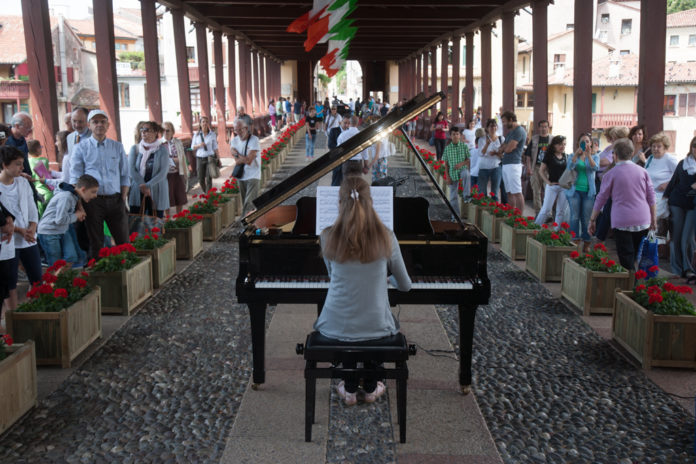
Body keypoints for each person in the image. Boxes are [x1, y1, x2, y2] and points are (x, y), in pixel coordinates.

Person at [314, 176, 411, 405]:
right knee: (372, 318)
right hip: (376, 325)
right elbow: (405, 286)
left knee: (351, 316)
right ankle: (370, 387)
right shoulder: (387, 236)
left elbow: (333, 278)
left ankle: (348, 388)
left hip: (335, 324)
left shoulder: (327, 236)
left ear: (340, 203)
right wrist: (385, 281)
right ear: (371, 202)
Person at [70, 109, 130, 259]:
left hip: (116, 199)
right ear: (89, 125)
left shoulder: (117, 147)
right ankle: (98, 275)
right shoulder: (81, 148)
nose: (99, 125)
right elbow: (75, 178)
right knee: (96, 242)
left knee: (123, 240)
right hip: (93, 202)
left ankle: (128, 275)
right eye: (95, 122)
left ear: (108, 125)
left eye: (103, 121)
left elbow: (125, 174)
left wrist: (123, 197)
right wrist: (80, 204)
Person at [589, 138, 656, 271]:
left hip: (622, 220)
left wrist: (592, 219)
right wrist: (654, 218)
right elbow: (651, 197)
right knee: (635, 254)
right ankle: (636, 284)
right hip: (643, 219)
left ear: (615, 155)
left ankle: (631, 286)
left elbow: (601, 198)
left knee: (626, 257)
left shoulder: (610, 174)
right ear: (631, 154)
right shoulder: (643, 171)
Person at [0, 146, 41, 313]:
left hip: (28, 237)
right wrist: (20, 230)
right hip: (9, 241)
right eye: (17, 164)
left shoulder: (23, 182)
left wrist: (31, 227)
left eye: (22, 163)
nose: (22, 168)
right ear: (4, 165)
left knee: (37, 277)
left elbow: (32, 208)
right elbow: (3, 218)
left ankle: (35, 311)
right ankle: (13, 316)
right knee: (10, 283)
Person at [37, 174, 99, 268]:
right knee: (55, 264)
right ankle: (54, 281)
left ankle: (61, 279)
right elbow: (60, 220)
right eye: (93, 192)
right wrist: (76, 215)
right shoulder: (66, 197)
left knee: (71, 257)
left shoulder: (74, 194)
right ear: (83, 189)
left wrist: (79, 210)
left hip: (61, 230)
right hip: (49, 232)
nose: (95, 195)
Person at [663, 136, 696, 280]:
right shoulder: (683, 163)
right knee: (675, 237)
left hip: (693, 205)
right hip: (677, 203)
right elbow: (673, 182)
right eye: (694, 146)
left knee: (687, 238)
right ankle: (677, 269)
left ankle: (688, 268)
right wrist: (663, 201)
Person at [565, 133, 600, 251]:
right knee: (574, 216)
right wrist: (576, 154)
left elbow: (595, 168)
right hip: (574, 191)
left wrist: (588, 155)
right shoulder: (572, 155)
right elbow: (569, 167)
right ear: (578, 144)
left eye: (587, 141)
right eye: (582, 141)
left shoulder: (595, 156)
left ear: (591, 143)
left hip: (588, 192)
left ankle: (587, 242)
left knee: (586, 218)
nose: (585, 143)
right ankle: (575, 240)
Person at [128, 121, 170, 218]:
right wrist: (142, 185)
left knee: (155, 222)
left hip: (157, 189)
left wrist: (148, 185)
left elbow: (163, 173)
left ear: (155, 132)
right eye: (142, 129)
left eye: (147, 130)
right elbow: (131, 169)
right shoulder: (135, 149)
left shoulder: (162, 150)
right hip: (138, 189)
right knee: (136, 221)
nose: (143, 132)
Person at [645, 132, 677, 232]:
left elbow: (679, 176)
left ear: (665, 147)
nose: (655, 149)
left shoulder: (669, 159)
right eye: (653, 146)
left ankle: (653, 245)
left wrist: (668, 184)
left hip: (662, 198)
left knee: (648, 221)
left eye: (659, 146)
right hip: (648, 196)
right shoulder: (650, 159)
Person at [535, 135, 569, 227]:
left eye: (564, 144)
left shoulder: (566, 156)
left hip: (564, 187)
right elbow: (541, 170)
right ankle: (535, 227)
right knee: (546, 209)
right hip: (552, 186)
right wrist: (548, 182)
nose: (562, 146)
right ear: (554, 145)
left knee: (561, 211)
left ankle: (556, 232)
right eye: (560, 144)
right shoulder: (549, 156)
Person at [496, 111, 527, 212]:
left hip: (514, 164)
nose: (504, 125)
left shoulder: (519, 131)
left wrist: (504, 148)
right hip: (506, 164)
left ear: (511, 120)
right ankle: (511, 214)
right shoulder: (511, 133)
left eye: (504, 122)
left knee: (517, 192)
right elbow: (503, 147)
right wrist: (505, 147)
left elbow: (508, 148)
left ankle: (520, 217)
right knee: (509, 192)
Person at [231, 119, 261, 216]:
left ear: (246, 128)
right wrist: (241, 157)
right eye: (236, 130)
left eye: (241, 130)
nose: (238, 133)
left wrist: (236, 154)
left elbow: (249, 161)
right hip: (241, 176)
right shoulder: (234, 141)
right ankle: (253, 223)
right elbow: (237, 161)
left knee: (249, 202)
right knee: (246, 202)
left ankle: (244, 224)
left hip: (253, 175)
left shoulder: (254, 140)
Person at [523, 120, 552, 215]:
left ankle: (548, 214)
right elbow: (528, 155)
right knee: (536, 191)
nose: (544, 128)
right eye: (542, 127)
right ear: (539, 128)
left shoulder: (552, 139)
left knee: (548, 192)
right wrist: (529, 168)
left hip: (548, 169)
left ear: (548, 127)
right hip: (536, 167)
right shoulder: (535, 139)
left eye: (545, 126)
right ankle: (538, 213)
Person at [162, 122, 189, 215]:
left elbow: (182, 157)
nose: (165, 132)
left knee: (179, 196)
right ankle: (167, 217)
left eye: (168, 130)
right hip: (166, 174)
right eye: (163, 130)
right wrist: (173, 160)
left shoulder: (177, 142)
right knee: (166, 197)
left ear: (172, 131)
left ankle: (179, 216)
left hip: (178, 172)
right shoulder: (159, 144)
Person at [441, 127, 470, 211]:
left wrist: (461, 164)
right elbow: (446, 164)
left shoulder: (464, 146)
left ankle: (466, 196)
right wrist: (447, 177)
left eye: (457, 134)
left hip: (462, 169)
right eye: (453, 134)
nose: (456, 136)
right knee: (453, 196)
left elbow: (468, 160)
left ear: (460, 135)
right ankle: (455, 216)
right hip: (452, 173)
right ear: (450, 136)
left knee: (466, 174)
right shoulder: (447, 148)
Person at [26, 139, 53, 216]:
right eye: (40, 147)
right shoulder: (44, 160)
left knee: (41, 215)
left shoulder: (28, 161)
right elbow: (47, 174)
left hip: (37, 192)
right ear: (37, 149)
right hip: (48, 190)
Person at [192, 116, 218, 194]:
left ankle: (208, 197)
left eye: (206, 122)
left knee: (209, 179)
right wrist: (199, 145)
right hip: (200, 158)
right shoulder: (196, 135)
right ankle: (206, 193)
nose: (205, 123)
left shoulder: (212, 134)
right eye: (203, 122)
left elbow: (215, 147)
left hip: (210, 158)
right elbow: (192, 147)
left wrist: (218, 158)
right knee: (200, 179)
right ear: (200, 124)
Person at [476, 119, 502, 197]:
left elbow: (503, 155)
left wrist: (496, 153)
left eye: (494, 126)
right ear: (487, 128)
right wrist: (487, 144)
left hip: (496, 167)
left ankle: (494, 208)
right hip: (484, 167)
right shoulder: (482, 139)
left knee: (495, 193)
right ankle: (483, 208)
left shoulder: (501, 139)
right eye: (491, 126)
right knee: (482, 192)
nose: (493, 128)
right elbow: (480, 153)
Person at [329, 117, 350, 186]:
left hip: (348, 160)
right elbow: (330, 145)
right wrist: (342, 150)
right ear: (341, 122)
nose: (347, 125)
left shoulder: (350, 132)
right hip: (337, 159)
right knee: (336, 180)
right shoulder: (334, 130)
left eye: (348, 123)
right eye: (345, 123)